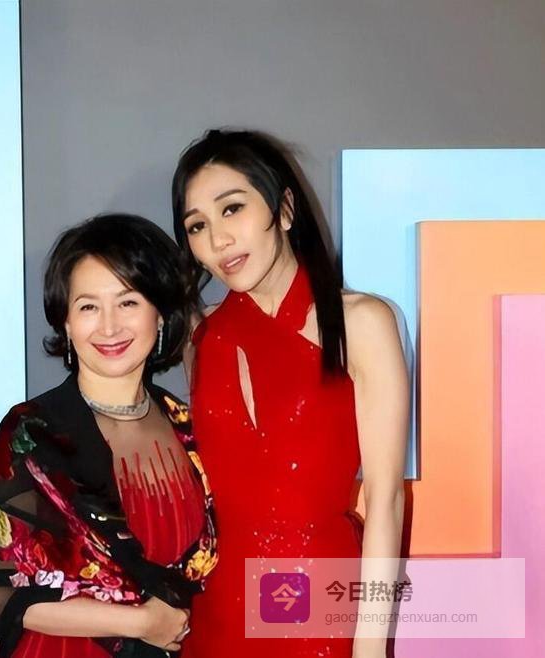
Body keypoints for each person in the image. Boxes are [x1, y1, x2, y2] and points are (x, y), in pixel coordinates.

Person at [172, 129, 409, 658]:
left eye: (232, 208)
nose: (218, 240)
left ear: (283, 209)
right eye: (197, 225)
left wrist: (370, 647)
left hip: (320, 607)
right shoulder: (201, 336)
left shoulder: (361, 322)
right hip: (218, 610)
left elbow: (386, 500)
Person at [0, 214, 218, 658]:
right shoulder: (33, 432)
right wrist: (138, 622)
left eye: (128, 302)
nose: (109, 327)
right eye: (88, 307)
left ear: (159, 315)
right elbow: (0, 593)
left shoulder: (188, 427)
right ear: (66, 323)